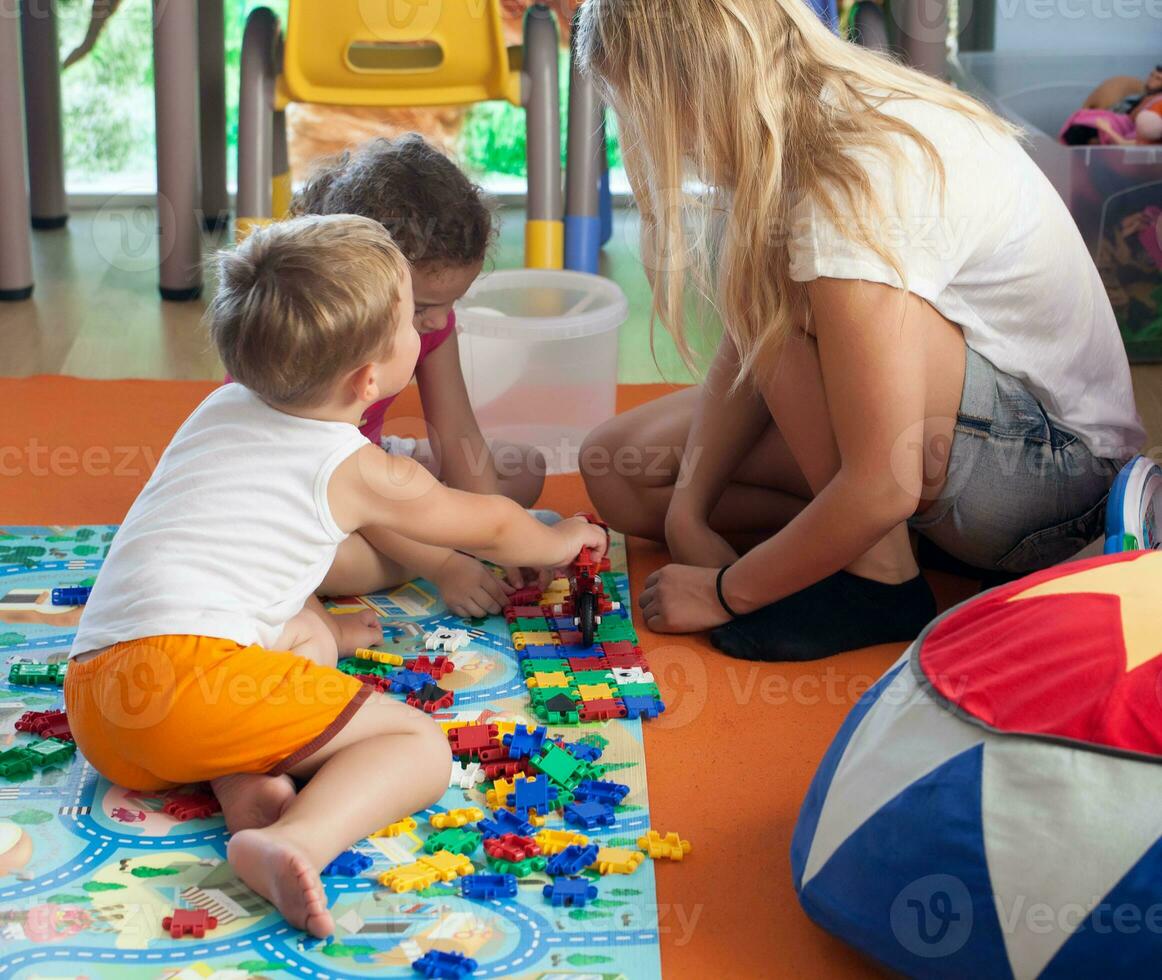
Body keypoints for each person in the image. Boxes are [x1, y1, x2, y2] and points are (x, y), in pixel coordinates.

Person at [63, 215, 607, 936]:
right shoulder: (352, 466)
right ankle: (292, 840)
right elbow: (492, 525)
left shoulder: (217, 407)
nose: (426, 329)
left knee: (298, 625)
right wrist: (561, 538)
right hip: (187, 688)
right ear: (369, 379)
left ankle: (242, 783)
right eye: (412, 319)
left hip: (99, 706)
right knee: (415, 745)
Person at [576, 0, 1144, 661]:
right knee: (618, 471)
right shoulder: (791, 120)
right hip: (949, 457)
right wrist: (689, 512)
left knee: (785, 304)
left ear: (686, 87)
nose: (637, 135)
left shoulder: (853, 167)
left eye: (634, 110)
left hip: (1055, 485)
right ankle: (878, 540)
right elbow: (754, 342)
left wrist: (729, 591)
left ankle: (880, 579)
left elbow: (883, 478)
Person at [291, 135, 550, 619]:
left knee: (522, 466)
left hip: (368, 465)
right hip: (302, 489)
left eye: (453, 302)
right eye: (426, 306)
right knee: (335, 562)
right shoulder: (320, 330)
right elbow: (350, 488)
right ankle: (422, 550)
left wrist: (502, 540)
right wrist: (445, 564)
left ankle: (430, 540)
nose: (439, 320)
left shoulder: (432, 323)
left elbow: (456, 431)